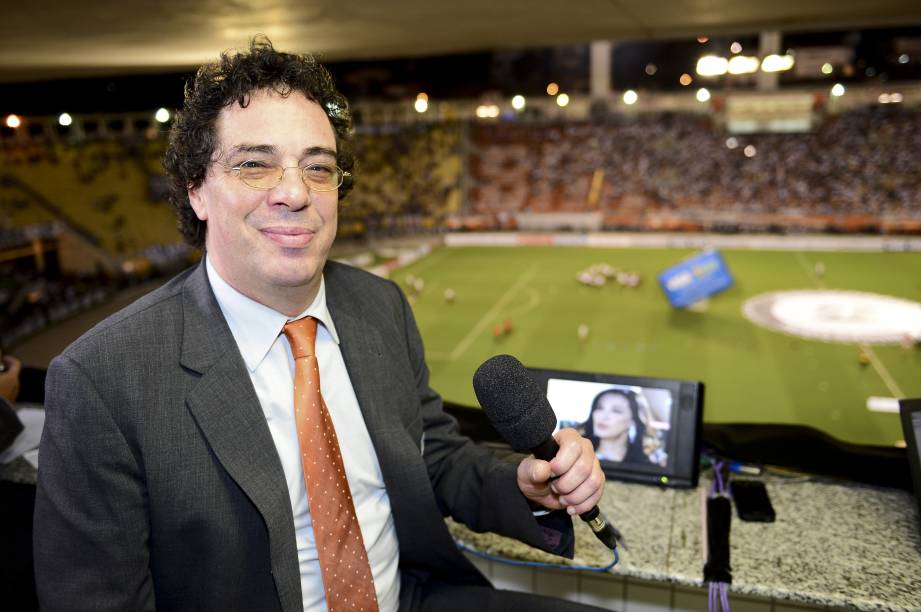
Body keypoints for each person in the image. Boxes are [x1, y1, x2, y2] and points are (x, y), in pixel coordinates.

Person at [33, 38, 607, 612]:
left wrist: (527, 485)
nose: (294, 193)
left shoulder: (380, 306)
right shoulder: (102, 379)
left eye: (318, 167)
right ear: (197, 190)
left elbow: (431, 458)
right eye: (254, 164)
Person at [583, 388, 653, 465]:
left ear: (633, 421)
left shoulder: (644, 465)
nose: (604, 416)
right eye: (600, 408)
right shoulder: (578, 452)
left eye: (616, 411)